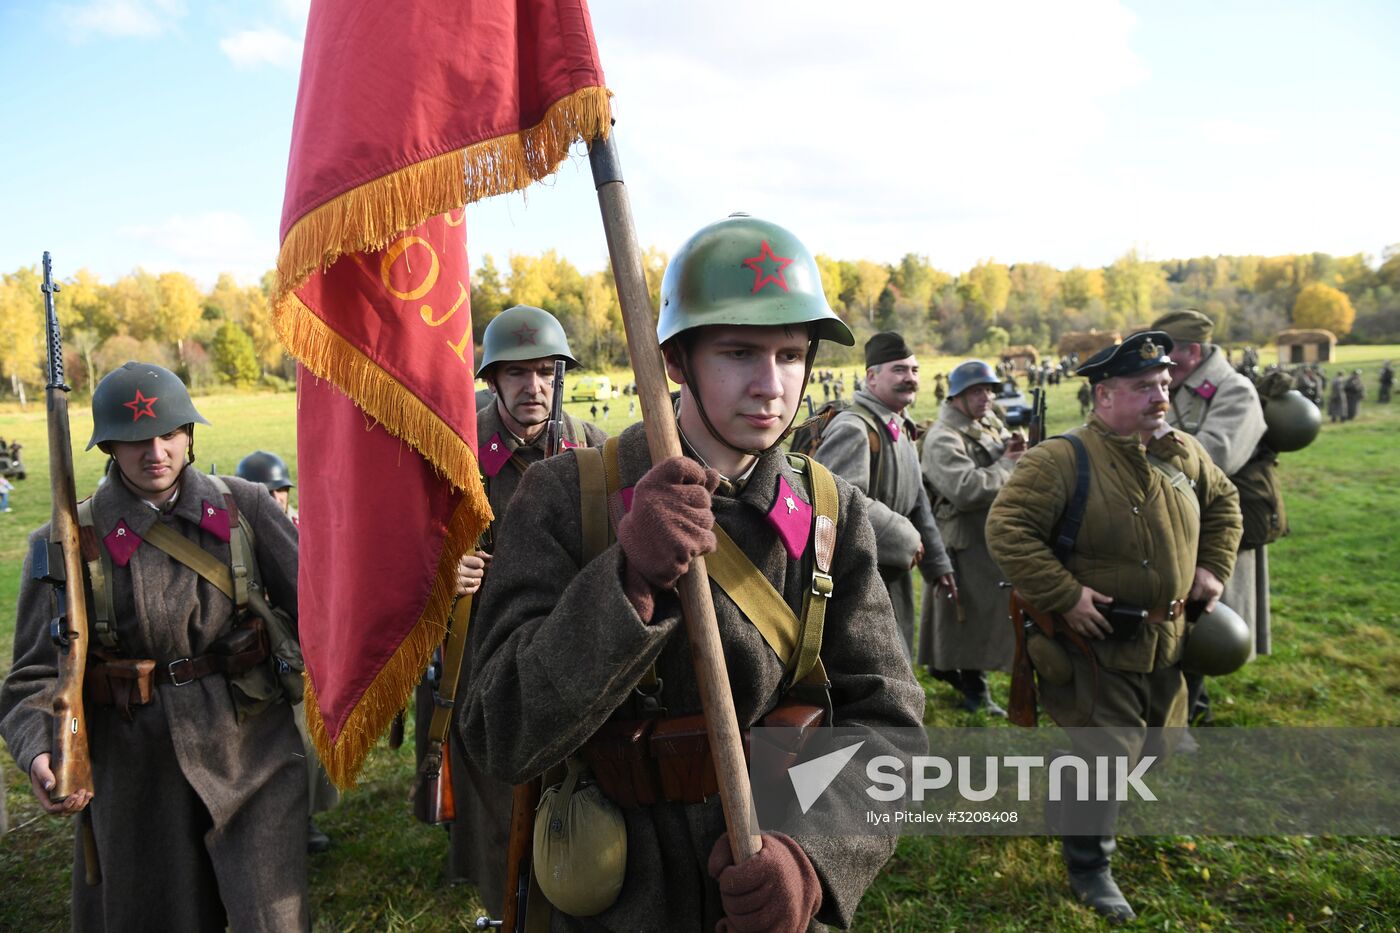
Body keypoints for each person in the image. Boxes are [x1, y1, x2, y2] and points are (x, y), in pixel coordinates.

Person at [461, 214, 926, 932]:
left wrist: (812, 859)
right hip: (615, 893)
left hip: (764, 881)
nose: (771, 385)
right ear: (676, 360)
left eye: (791, 353)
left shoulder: (833, 515)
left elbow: (890, 728)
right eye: (739, 351)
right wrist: (626, 582)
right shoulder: (565, 497)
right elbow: (498, 730)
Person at [0, 362, 307, 931]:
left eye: (169, 434)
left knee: (274, 915)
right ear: (109, 446)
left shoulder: (245, 507)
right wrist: (41, 748)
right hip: (135, 759)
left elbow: (321, 609)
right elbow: (34, 676)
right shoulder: (66, 541)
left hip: (251, 746)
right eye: (137, 439)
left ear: (190, 434)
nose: (156, 452)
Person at [986, 332, 1241, 922]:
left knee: (1152, 744)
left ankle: (1068, 798)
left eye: (1163, 384)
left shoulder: (1181, 451)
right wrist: (1066, 595)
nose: (1161, 396)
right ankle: (1090, 869)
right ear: (1103, 396)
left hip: (1168, 639)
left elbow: (1225, 502)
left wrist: (1212, 567)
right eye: (1144, 387)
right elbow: (1008, 531)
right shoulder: (1062, 458)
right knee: (1105, 756)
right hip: (1095, 642)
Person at [415, 304, 606, 916]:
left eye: (547, 372)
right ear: (491, 380)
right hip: (482, 643)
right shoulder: (454, 453)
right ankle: (502, 899)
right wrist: (445, 572)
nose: (535, 388)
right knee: (493, 784)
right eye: (518, 374)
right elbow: (406, 541)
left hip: (568, 633)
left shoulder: (591, 447)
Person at [1151, 310, 1270, 722]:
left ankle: (1187, 714)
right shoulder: (1174, 386)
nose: (1160, 364)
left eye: (1167, 354)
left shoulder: (1235, 392)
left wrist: (1148, 450)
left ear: (1193, 352)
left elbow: (1218, 457)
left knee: (1203, 620)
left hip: (1216, 525)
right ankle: (1183, 711)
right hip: (1174, 521)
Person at [812, 330, 954, 658]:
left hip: (891, 571)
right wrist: (903, 536)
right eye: (899, 370)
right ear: (872, 377)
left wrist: (937, 563)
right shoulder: (854, 427)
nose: (910, 378)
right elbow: (836, 500)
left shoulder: (900, 428)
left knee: (895, 658)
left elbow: (917, 500)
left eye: (915, 370)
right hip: (856, 578)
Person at [236, 449, 340, 853]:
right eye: (267, 491)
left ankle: (304, 818)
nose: (275, 498)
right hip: (247, 652)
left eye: (280, 490)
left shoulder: (304, 527)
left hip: (296, 651)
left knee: (306, 739)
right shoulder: (233, 533)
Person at [919, 359, 1025, 715]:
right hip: (962, 537)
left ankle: (955, 671)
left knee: (976, 612)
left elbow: (990, 454)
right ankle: (971, 687)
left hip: (986, 533)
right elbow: (965, 488)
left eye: (990, 390)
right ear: (957, 396)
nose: (987, 398)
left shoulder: (981, 423)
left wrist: (1010, 448)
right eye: (977, 391)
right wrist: (1008, 464)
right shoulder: (943, 437)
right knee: (964, 615)